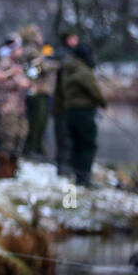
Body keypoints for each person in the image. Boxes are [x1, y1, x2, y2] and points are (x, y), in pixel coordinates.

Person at [57, 41, 107, 188]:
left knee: (76, 144)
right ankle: (85, 177)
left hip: (70, 110)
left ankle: (78, 175)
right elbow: (94, 91)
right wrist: (102, 103)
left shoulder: (67, 69)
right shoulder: (83, 71)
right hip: (84, 112)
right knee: (87, 144)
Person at [0, 35, 31, 179]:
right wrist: (16, 83)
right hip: (7, 108)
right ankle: (2, 173)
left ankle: (12, 171)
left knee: (20, 137)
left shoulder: (18, 63)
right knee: (7, 140)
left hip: (20, 107)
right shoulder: (4, 63)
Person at [21, 24, 57, 156]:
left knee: (42, 122)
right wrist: (55, 65)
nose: (40, 37)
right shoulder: (32, 51)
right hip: (37, 92)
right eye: (38, 34)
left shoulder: (39, 50)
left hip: (43, 91)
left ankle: (37, 148)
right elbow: (42, 67)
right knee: (37, 122)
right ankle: (33, 149)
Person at [52, 30, 79, 177]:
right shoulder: (63, 56)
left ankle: (68, 167)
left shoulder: (73, 56)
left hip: (69, 106)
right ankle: (63, 169)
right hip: (62, 106)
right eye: (73, 37)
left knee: (69, 139)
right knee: (64, 138)